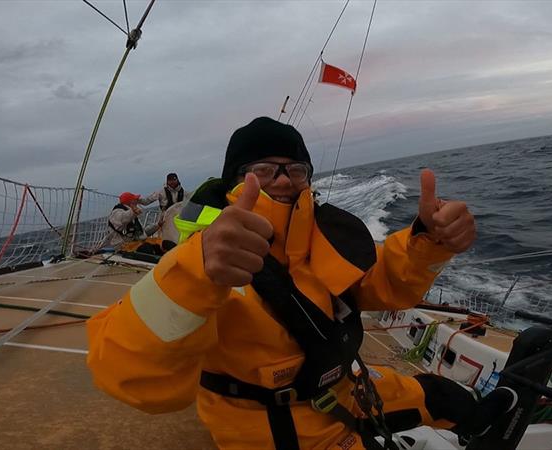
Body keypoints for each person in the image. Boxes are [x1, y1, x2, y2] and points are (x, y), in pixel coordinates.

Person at [87, 117, 517, 449]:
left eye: (295, 168)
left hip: (343, 387)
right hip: (273, 427)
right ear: (235, 181)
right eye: (263, 169)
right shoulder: (204, 257)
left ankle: (488, 422)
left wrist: (427, 242)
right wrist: (195, 272)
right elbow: (127, 374)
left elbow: (380, 286)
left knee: (440, 396)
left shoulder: (322, 235)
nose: (283, 178)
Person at [99, 192, 171, 256]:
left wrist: (158, 225)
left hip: (135, 244)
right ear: (130, 202)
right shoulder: (117, 213)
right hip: (123, 247)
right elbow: (123, 218)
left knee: (162, 244)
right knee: (147, 248)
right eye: (135, 200)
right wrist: (132, 212)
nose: (137, 201)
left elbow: (142, 233)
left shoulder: (132, 216)